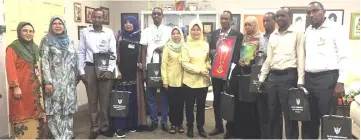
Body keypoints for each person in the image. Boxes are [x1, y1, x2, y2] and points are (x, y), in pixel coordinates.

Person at [302, 1, 349, 139]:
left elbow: (344, 56)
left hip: (328, 80)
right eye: (309, 12)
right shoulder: (308, 31)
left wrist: (341, 81)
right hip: (309, 79)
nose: (311, 15)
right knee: (309, 119)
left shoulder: (336, 29)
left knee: (327, 119)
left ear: (324, 11)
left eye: (315, 11)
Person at [258, 7, 305, 139]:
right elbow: (269, 58)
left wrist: (300, 80)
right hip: (273, 77)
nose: (279, 19)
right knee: (273, 113)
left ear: (290, 16)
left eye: (283, 16)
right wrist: (262, 77)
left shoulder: (297, 33)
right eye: (277, 16)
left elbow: (301, 56)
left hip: (289, 77)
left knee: (290, 115)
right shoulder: (273, 35)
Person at [78, 8, 117, 139]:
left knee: (105, 100)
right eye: (95, 17)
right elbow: (81, 52)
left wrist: (110, 70)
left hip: (105, 67)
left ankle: (105, 127)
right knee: (92, 100)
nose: (97, 19)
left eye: (100, 17)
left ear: (103, 19)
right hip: (89, 67)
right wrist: (81, 71)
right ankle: (94, 128)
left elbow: (113, 53)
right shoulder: (85, 32)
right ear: (91, 18)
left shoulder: (109, 32)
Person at [40, 16, 78, 139]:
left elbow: (74, 59)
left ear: (64, 25)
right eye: (54, 23)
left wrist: (75, 77)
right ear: (51, 26)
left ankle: (67, 135)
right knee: (55, 111)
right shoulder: (46, 40)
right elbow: (44, 62)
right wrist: (47, 82)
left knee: (67, 110)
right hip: (54, 82)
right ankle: (58, 136)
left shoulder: (69, 40)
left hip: (69, 82)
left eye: (60, 23)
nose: (57, 25)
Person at [5, 22, 45, 139]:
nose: (28, 33)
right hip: (20, 89)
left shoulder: (35, 47)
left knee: (36, 115)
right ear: (19, 32)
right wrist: (15, 86)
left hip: (34, 90)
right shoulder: (13, 48)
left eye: (31, 31)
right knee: (21, 112)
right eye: (25, 31)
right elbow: (10, 67)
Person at [208, 10, 243, 138]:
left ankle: (230, 128)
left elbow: (238, 54)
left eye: (226, 19)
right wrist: (211, 52)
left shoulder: (238, 35)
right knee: (216, 100)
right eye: (222, 18)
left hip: (230, 73)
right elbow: (210, 49)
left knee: (229, 100)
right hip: (216, 72)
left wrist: (230, 64)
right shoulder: (215, 34)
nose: (224, 21)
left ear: (231, 20)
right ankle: (218, 126)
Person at [139, 7, 171, 132]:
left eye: (159, 14)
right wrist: (144, 70)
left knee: (164, 97)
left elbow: (174, 45)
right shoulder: (146, 31)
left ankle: (164, 121)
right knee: (151, 97)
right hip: (150, 67)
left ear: (162, 16)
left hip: (165, 68)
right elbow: (143, 50)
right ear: (152, 16)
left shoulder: (168, 30)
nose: (156, 16)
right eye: (154, 14)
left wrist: (164, 47)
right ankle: (153, 121)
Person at [112, 16, 144, 138]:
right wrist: (117, 70)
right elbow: (113, 54)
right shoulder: (119, 36)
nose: (128, 24)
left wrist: (141, 63)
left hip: (134, 75)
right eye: (126, 22)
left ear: (135, 24)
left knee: (132, 101)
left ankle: (131, 124)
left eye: (131, 22)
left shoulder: (139, 37)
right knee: (120, 101)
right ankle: (119, 127)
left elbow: (142, 54)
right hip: (121, 74)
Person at [181, 19, 210, 138]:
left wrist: (209, 67)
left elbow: (207, 60)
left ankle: (200, 127)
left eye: (198, 29)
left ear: (201, 31)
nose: (195, 32)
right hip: (190, 81)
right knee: (189, 106)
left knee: (201, 106)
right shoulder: (185, 44)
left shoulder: (205, 44)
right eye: (193, 29)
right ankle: (190, 128)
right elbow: (185, 63)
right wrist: (199, 70)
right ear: (190, 30)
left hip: (203, 82)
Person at [161, 27, 186, 134]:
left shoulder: (185, 47)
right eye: (173, 34)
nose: (176, 36)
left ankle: (180, 124)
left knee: (181, 104)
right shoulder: (167, 47)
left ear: (181, 35)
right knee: (172, 104)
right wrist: (165, 80)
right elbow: (164, 64)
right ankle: (173, 124)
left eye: (178, 33)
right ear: (171, 36)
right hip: (170, 80)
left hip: (183, 80)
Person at [257, 12, 277, 139]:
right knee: (262, 108)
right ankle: (263, 136)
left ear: (274, 21)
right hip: (261, 75)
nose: (265, 23)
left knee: (274, 110)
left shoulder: (277, 36)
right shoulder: (261, 37)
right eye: (263, 21)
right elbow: (259, 55)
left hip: (275, 76)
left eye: (268, 21)